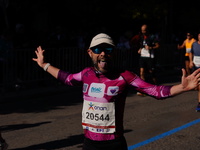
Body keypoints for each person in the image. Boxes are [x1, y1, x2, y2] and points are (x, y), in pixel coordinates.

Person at [33, 33, 200, 150]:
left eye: (108, 50)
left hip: (114, 144)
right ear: (90, 52)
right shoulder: (86, 74)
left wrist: (182, 88)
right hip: (89, 144)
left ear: (114, 53)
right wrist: (44, 65)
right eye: (98, 50)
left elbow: (154, 91)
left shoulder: (125, 76)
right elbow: (66, 78)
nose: (103, 54)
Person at [131, 24, 160, 96]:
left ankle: (157, 86)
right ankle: (143, 89)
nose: (143, 31)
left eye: (144, 30)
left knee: (151, 72)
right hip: (142, 56)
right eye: (142, 30)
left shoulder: (152, 37)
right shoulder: (141, 37)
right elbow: (142, 45)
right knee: (141, 72)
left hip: (150, 56)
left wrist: (150, 47)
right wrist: (140, 49)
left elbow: (158, 45)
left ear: (147, 30)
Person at [189, 32, 200, 112]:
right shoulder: (194, 44)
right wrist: (190, 61)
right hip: (196, 66)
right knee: (198, 86)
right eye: (199, 34)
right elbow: (190, 53)